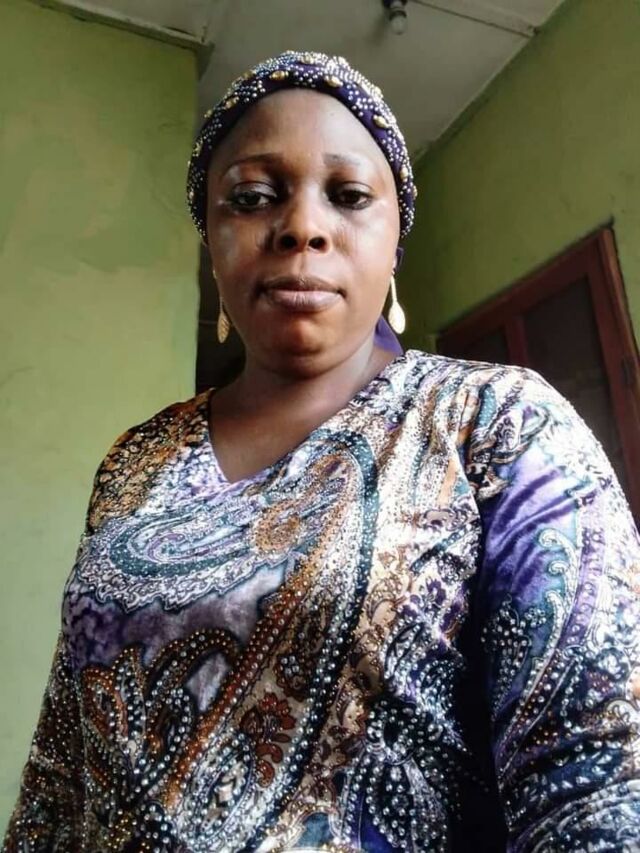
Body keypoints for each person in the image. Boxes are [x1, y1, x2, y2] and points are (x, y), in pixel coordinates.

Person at [3, 50, 639, 853]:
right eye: (252, 197)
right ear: (211, 240)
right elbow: (61, 768)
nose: (302, 227)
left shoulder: (499, 423)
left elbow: (596, 776)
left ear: (395, 241)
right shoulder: (136, 460)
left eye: (348, 195)